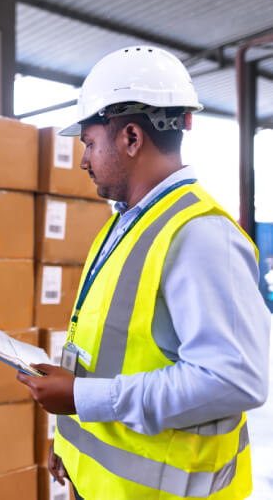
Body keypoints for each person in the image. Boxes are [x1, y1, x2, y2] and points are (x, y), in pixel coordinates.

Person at [16, 45, 271, 500]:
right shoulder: (126, 224)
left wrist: (81, 399)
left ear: (131, 138)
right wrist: (70, 436)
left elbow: (232, 379)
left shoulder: (199, 235)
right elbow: (108, 349)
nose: (83, 160)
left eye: (89, 143)